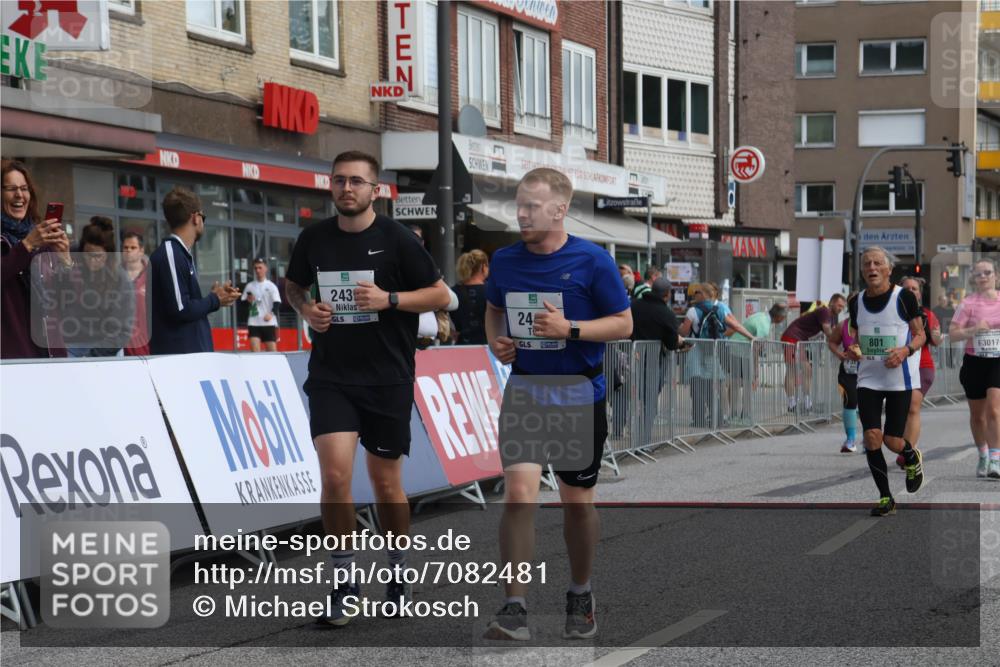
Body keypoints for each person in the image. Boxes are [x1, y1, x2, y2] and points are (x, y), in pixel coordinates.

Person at [283, 150, 452, 626]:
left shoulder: (397, 239)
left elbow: (441, 295)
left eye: (356, 181)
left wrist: (389, 299)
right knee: (336, 477)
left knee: (386, 483)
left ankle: (397, 573)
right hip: (332, 376)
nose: (346, 188)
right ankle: (344, 583)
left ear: (375, 190)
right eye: (339, 180)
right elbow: (294, 285)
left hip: (387, 377)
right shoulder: (314, 238)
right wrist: (306, 310)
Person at [483, 167, 632, 641]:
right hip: (526, 389)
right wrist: (497, 342)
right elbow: (493, 309)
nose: (522, 214)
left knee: (576, 504)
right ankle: (514, 607)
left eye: (532, 206)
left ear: (560, 209)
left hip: (577, 394)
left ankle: (580, 592)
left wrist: (570, 329)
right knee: (518, 495)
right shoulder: (504, 260)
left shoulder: (592, 261)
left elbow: (624, 322)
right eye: (519, 205)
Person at [844, 246, 926, 516]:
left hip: (898, 380)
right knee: (871, 437)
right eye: (867, 264)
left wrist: (905, 351)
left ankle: (911, 456)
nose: (872, 268)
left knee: (892, 440)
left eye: (878, 263)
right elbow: (857, 337)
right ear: (861, 270)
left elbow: (920, 335)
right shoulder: (856, 301)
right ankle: (885, 498)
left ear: (889, 269)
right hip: (868, 379)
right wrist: (854, 348)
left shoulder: (903, 297)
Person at [149, 187, 240, 354]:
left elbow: (183, 306)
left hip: (188, 357)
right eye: (203, 217)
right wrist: (214, 300)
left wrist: (214, 299)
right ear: (196, 218)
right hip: (180, 360)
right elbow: (181, 309)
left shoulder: (178, 253)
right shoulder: (171, 253)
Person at [1, 159, 71, 359]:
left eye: (24, 189)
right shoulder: (32, 240)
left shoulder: (41, 239)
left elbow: (68, 302)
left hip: (50, 355)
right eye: (11, 189)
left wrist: (66, 261)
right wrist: (26, 246)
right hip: (12, 358)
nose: (19, 195)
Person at [947, 258, 1000, 479]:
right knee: (977, 416)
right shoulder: (968, 304)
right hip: (974, 362)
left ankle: (996, 459)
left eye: (987, 272)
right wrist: (973, 330)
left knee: (994, 409)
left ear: (996, 275)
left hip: (997, 361)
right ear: (974, 279)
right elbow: (952, 334)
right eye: (979, 274)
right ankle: (983, 455)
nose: (983, 277)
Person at [678, 283, 755, 428]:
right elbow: (736, 326)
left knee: (696, 386)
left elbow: (684, 332)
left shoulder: (692, 311)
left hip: (696, 350)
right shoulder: (720, 309)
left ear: (703, 294)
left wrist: (678, 328)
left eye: (697, 292)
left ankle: (698, 419)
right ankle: (717, 418)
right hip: (713, 351)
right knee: (711, 388)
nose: (694, 295)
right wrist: (752, 337)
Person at [630, 276, 688, 443]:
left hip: (631, 357)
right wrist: (680, 343)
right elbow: (671, 343)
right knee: (650, 402)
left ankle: (633, 439)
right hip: (653, 362)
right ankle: (643, 440)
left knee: (632, 400)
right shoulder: (666, 313)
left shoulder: (634, 305)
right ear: (667, 294)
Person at [66, 217, 134, 358]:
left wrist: (92, 357)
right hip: (72, 345)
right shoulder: (74, 264)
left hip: (106, 348)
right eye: (87, 255)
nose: (92, 261)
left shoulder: (121, 280)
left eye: (98, 256)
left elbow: (122, 332)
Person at [893, 277, 941, 469]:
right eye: (907, 288)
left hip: (922, 367)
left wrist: (936, 335)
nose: (911, 291)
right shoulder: (893, 312)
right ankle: (906, 446)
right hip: (898, 366)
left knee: (913, 406)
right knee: (901, 410)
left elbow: (937, 340)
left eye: (914, 288)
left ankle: (909, 453)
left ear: (920, 293)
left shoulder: (927, 314)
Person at [780, 293, 846, 413]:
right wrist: (837, 342)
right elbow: (828, 331)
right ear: (832, 303)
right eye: (839, 305)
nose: (841, 309)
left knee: (805, 370)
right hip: (792, 338)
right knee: (793, 370)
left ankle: (805, 402)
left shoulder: (831, 317)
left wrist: (838, 341)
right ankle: (793, 403)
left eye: (842, 307)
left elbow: (833, 333)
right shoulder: (825, 311)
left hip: (797, 339)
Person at [729, 302, 788, 421]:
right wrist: (756, 373)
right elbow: (755, 348)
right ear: (780, 317)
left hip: (733, 348)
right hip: (742, 351)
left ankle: (734, 414)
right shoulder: (764, 326)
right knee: (748, 384)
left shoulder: (761, 316)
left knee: (735, 383)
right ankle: (745, 415)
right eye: (784, 317)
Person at [827, 317, 860, 452]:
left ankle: (869, 440)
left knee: (867, 404)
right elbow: (832, 342)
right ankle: (850, 440)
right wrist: (840, 354)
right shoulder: (843, 325)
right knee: (850, 401)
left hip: (868, 370)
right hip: (848, 371)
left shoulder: (871, 322)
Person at [242, 258, 282, 352]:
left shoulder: (271, 286)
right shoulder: (249, 286)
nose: (258, 270)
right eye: (255, 268)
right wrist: (248, 301)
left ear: (265, 268)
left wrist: (271, 314)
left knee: (272, 352)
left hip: (268, 323)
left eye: (260, 268)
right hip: (253, 322)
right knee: (255, 351)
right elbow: (242, 302)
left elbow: (277, 302)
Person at [451, 249, 489, 345]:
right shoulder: (491, 290)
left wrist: (449, 331)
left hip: (461, 345)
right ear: (483, 267)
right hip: (487, 346)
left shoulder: (453, 292)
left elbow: (437, 313)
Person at [122, 231, 150, 356]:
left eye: (133, 247)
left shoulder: (152, 276)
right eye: (125, 247)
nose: (128, 250)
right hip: (121, 348)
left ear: (141, 251)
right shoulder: (114, 275)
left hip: (146, 346)